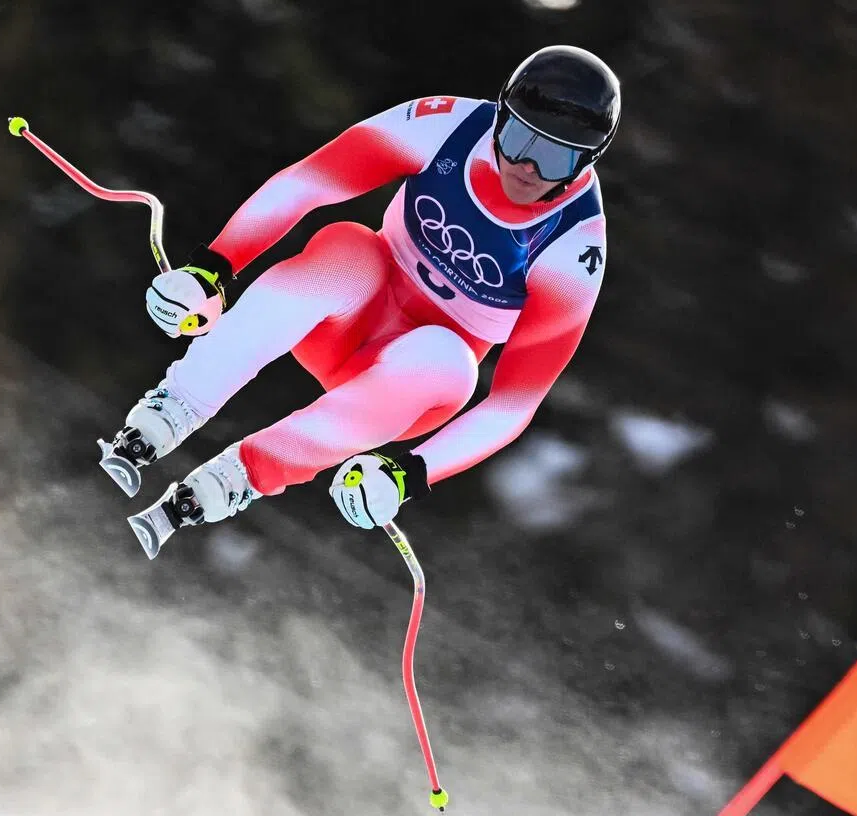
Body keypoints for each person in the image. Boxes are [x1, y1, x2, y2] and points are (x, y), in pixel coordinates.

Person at [102, 45, 621, 558]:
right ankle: (173, 407)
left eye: (555, 156)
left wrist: (408, 473)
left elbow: (513, 404)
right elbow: (310, 182)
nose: (527, 166)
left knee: (449, 360)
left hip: (402, 385)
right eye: (517, 137)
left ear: (586, 162)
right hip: (345, 318)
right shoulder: (449, 127)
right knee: (350, 246)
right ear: (499, 115)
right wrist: (212, 267)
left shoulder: (573, 247)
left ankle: (241, 475)